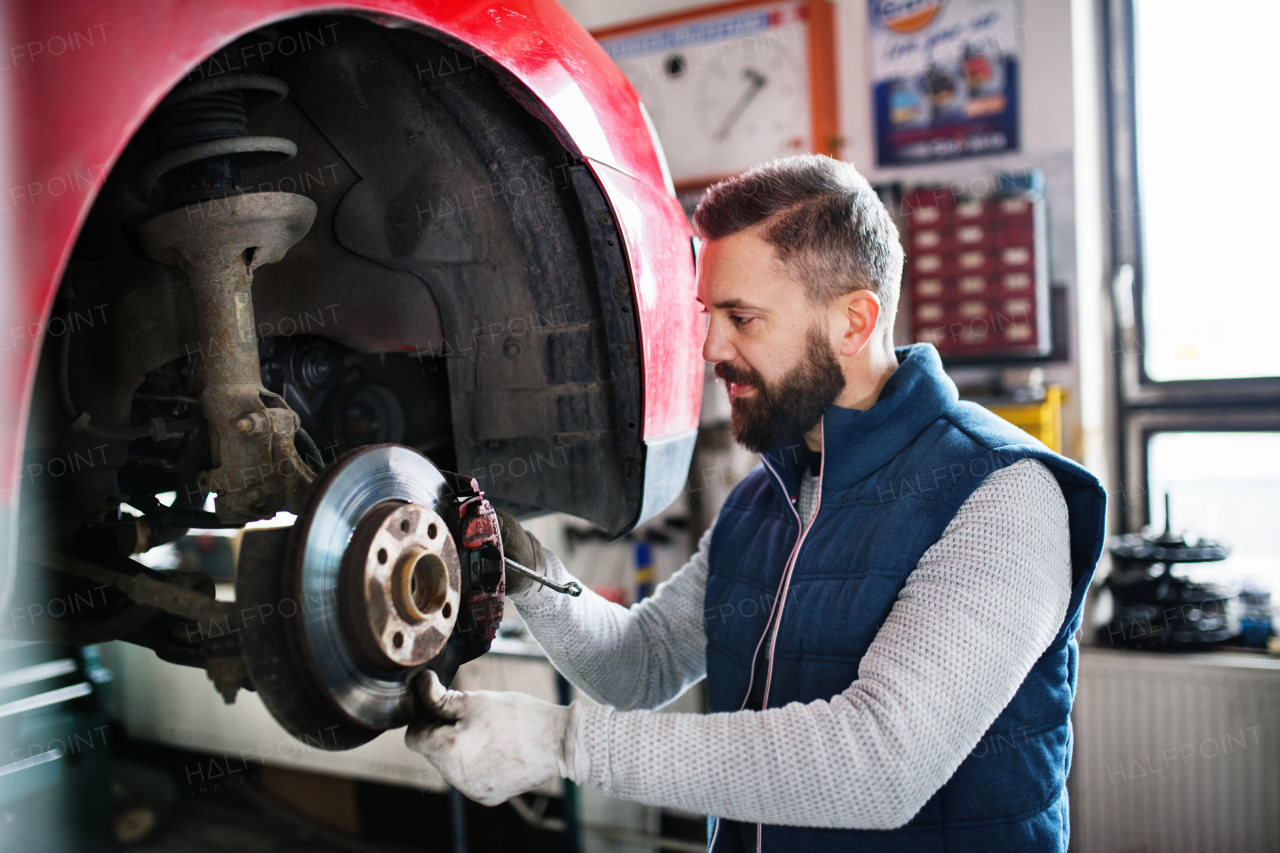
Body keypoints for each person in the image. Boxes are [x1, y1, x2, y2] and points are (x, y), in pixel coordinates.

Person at [406, 154, 1106, 852]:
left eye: (742, 317)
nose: (712, 347)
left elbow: (881, 763)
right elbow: (640, 665)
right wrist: (520, 561)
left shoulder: (1003, 495)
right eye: (710, 314)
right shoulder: (765, 500)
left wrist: (560, 741)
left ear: (854, 322)